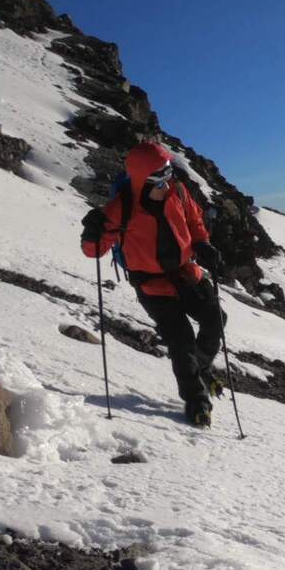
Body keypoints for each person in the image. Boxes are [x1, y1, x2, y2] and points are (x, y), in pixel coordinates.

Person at [80, 140, 226, 425]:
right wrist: (92, 231)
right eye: (160, 175)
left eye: (169, 171)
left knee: (216, 319)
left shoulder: (178, 192)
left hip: (186, 273)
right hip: (152, 286)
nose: (167, 180)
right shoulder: (120, 208)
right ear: (142, 179)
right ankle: (197, 400)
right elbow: (94, 251)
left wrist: (202, 244)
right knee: (181, 342)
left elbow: (195, 221)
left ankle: (202, 368)